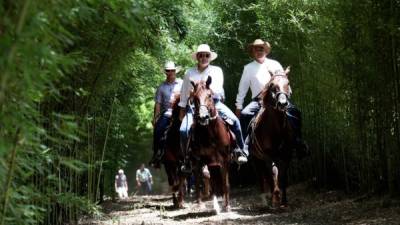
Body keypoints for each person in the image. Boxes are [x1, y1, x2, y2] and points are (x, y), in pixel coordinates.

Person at [178, 44, 248, 172]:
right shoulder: (189, 73)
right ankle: (187, 159)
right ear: (197, 57)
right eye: (201, 55)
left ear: (210, 57)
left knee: (236, 122)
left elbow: (216, 88)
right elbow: (184, 92)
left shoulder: (217, 70)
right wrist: (183, 108)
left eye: (206, 55)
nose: (203, 58)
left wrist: (200, 91)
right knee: (183, 130)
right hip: (194, 106)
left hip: (214, 103)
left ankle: (240, 150)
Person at [235, 38, 308, 158]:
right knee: (245, 114)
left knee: (295, 112)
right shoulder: (248, 68)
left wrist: (287, 94)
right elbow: (242, 89)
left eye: (261, 48)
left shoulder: (275, 64)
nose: (259, 50)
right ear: (253, 51)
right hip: (259, 101)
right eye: (256, 48)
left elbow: (283, 79)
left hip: (278, 99)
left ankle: (298, 143)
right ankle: (244, 148)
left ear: (266, 50)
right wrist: (238, 106)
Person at [149, 61, 183, 168]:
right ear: (165, 72)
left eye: (172, 70)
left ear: (175, 71)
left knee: (189, 129)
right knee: (158, 130)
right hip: (166, 113)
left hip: (180, 112)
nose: (171, 72)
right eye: (168, 70)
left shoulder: (182, 83)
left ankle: (192, 153)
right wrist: (156, 117)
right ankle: (157, 154)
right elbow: (158, 104)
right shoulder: (161, 87)